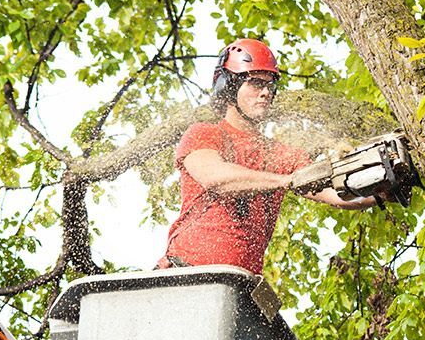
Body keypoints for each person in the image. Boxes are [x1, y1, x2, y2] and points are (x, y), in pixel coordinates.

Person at [157, 38, 381, 274]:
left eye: (270, 85)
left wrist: (380, 192)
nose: (265, 92)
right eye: (255, 83)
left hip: (241, 283)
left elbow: (336, 194)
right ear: (229, 87)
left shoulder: (280, 155)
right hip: (186, 274)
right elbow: (216, 178)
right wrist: (285, 181)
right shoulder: (205, 134)